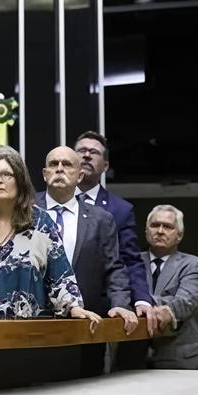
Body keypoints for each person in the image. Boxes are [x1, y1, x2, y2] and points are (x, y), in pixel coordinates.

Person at [0, 153, 105, 324]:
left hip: (27, 331)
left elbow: (60, 275)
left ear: (20, 181)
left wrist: (74, 308)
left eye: (6, 174)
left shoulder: (41, 223)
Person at [35, 146, 138, 375]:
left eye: (67, 164)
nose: (59, 169)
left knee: (86, 391)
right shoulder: (25, 211)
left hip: (87, 325)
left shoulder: (101, 219)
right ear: (44, 174)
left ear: (80, 175)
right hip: (34, 325)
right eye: (53, 164)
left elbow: (114, 268)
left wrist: (120, 304)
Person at [74, 131, 156, 331]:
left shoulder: (120, 209)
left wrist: (142, 299)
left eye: (94, 152)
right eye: (81, 151)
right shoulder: (44, 204)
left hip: (99, 310)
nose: (86, 155)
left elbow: (130, 259)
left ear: (105, 166)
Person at [143, 204, 198, 369]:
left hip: (179, 356)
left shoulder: (193, 264)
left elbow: (186, 302)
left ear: (179, 235)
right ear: (146, 231)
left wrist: (140, 302)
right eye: (155, 225)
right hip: (133, 356)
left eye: (167, 227)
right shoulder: (129, 262)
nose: (160, 231)